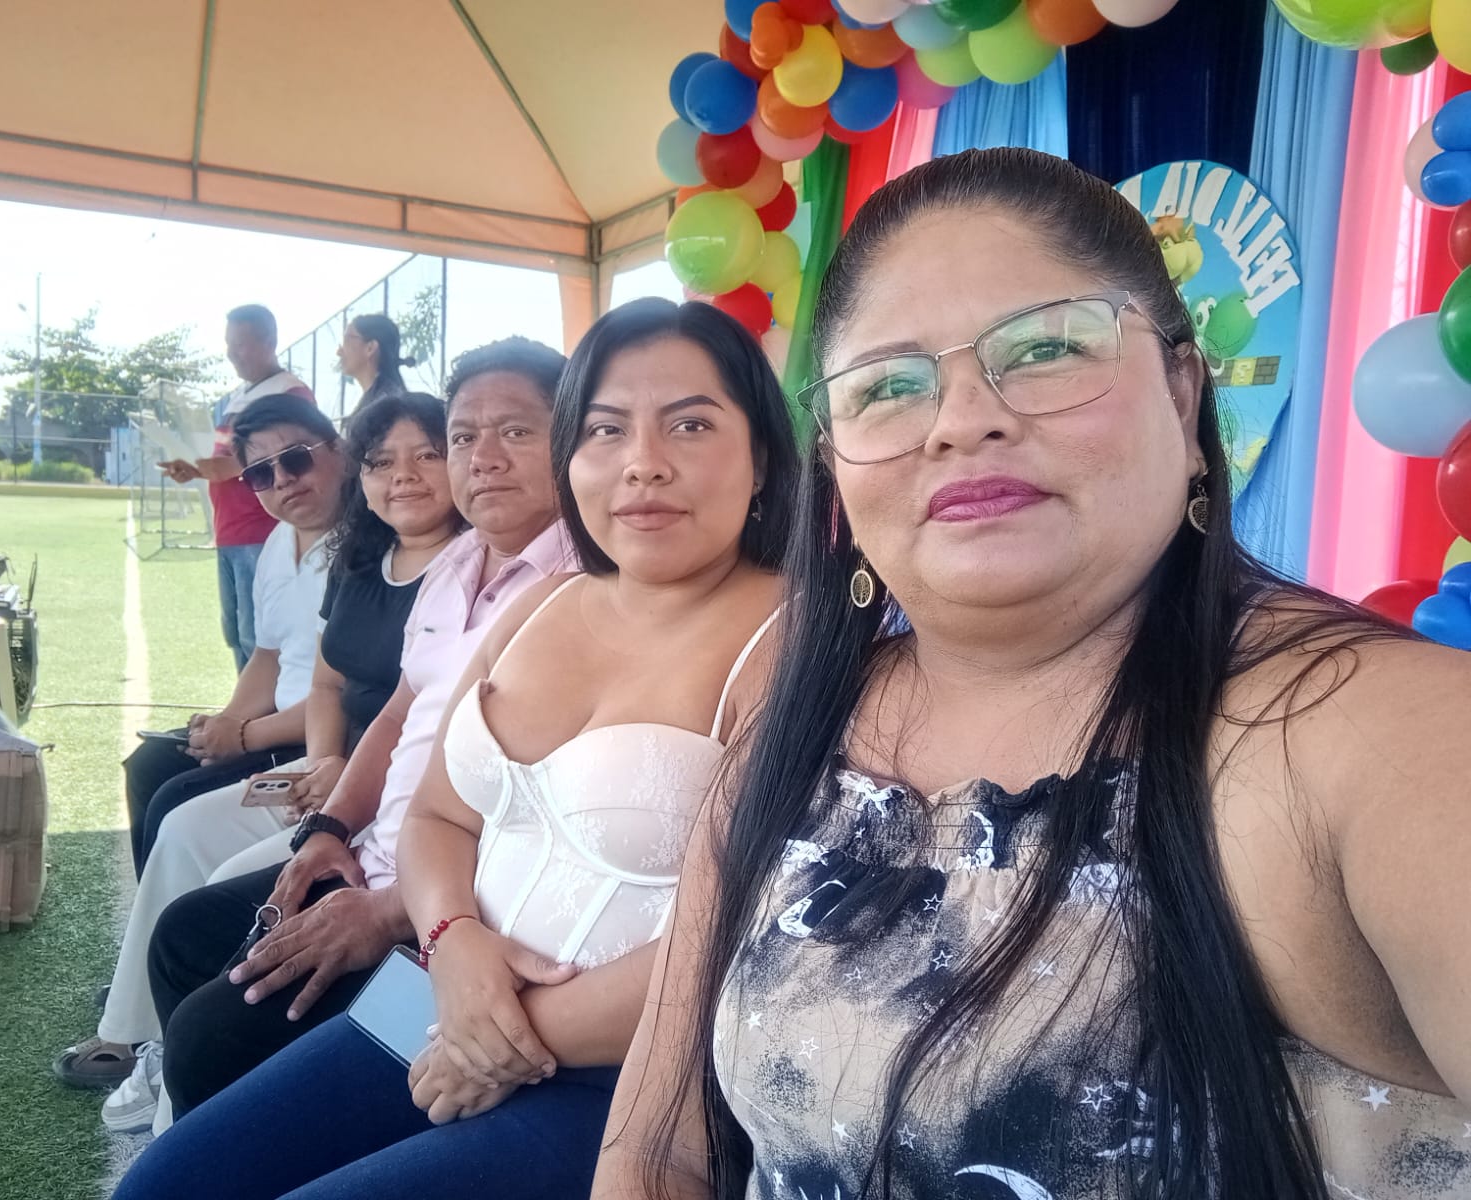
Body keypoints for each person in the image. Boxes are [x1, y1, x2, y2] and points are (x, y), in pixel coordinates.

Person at [593, 149, 1471, 1200]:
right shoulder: (791, 737)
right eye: (889, 386)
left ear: (1183, 395)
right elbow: (656, 1149)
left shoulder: (1365, 733)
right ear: (833, 466)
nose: (962, 419)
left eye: (1048, 347)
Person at [112, 296, 801, 1200]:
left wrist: (507, 1033)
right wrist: (451, 939)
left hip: (626, 1072)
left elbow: (759, 934)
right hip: (437, 993)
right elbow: (438, 815)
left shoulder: (799, 643)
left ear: (761, 457)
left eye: (691, 424)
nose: (643, 462)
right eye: (606, 429)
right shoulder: (541, 604)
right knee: (165, 1183)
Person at [141, 337, 576, 1113]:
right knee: (184, 936)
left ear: (572, 437)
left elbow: (538, 816)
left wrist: (389, 912)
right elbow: (401, 711)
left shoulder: (580, 588)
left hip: (450, 909)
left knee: (212, 1035)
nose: (483, 457)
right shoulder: (456, 564)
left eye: (516, 431)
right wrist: (330, 826)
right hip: (374, 859)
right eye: (464, 437)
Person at [54, 394, 463, 1131]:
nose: (403, 476)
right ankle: (144, 1032)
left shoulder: (476, 570)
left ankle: (174, 1044)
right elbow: (327, 682)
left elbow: (421, 726)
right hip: (333, 773)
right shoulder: (358, 557)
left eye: (429, 453)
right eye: (382, 461)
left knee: (209, 871)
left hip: (378, 803)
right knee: (175, 812)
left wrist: (294, 761)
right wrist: (315, 760)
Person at [122, 395, 343, 883]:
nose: (282, 479)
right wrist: (228, 721)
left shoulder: (364, 549)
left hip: (325, 741)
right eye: (260, 472)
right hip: (274, 725)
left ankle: (180, 921)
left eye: (296, 459)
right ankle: (158, 910)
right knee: (148, 765)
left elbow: (345, 693)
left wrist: (243, 737)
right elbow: (267, 656)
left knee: (176, 799)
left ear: (338, 449)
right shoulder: (278, 543)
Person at [160, 304, 315, 671]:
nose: (231, 353)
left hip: (262, 533)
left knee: (259, 637)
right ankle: (246, 704)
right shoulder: (241, 395)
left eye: (240, 343)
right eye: (229, 343)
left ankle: (267, 707)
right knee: (237, 634)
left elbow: (256, 460)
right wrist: (198, 470)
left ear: (269, 342)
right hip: (231, 532)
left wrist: (201, 469)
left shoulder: (289, 392)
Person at [337, 313, 415, 412]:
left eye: (347, 341)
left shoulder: (386, 405)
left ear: (370, 348)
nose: (339, 352)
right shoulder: (384, 399)